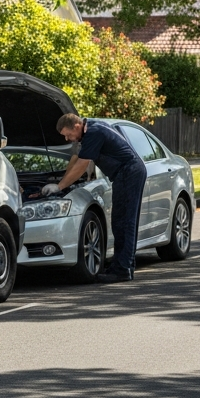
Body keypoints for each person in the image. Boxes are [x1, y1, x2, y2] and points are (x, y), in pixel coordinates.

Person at [41, 114, 146, 282]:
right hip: (127, 173)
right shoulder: (91, 128)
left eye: (68, 134)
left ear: (76, 126)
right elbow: (76, 160)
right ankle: (122, 264)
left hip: (129, 172)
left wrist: (60, 187)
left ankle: (123, 269)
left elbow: (82, 165)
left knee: (125, 222)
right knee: (120, 221)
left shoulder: (93, 132)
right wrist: (58, 181)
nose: (68, 139)